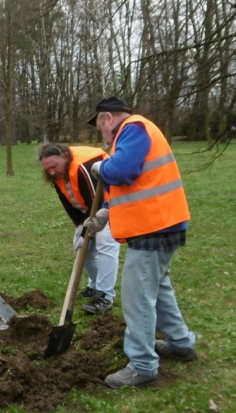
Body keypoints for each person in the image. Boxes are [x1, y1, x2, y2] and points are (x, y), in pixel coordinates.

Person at [85, 96, 197, 388]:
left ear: (108, 118)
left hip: (153, 228)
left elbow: (122, 171)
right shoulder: (137, 133)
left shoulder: (133, 128)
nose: (103, 136)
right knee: (159, 289)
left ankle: (143, 365)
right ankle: (181, 342)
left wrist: (100, 168)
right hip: (162, 224)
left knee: (137, 298)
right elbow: (137, 183)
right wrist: (106, 213)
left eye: (100, 127)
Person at [37, 142, 119, 314]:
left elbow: (94, 200)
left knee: (105, 242)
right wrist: (80, 229)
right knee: (81, 246)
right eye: (48, 169)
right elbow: (68, 204)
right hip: (91, 211)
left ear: (65, 157)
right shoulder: (58, 173)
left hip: (113, 205)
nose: (52, 172)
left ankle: (105, 296)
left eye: (54, 166)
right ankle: (95, 285)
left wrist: (85, 232)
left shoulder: (83, 166)